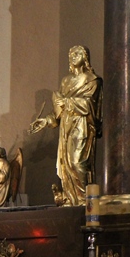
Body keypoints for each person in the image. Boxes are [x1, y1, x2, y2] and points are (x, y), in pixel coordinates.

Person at [29, 45, 102, 206]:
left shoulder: (92, 80)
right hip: (66, 127)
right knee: (66, 164)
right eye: (71, 54)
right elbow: (59, 112)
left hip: (82, 125)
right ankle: (70, 198)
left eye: (77, 53)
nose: (73, 56)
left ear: (85, 57)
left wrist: (66, 102)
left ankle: (84, 200)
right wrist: (46, 120)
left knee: (77, 162)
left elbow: (90, 105)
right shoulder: (66, 81)